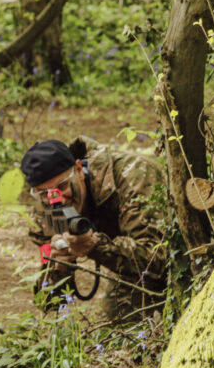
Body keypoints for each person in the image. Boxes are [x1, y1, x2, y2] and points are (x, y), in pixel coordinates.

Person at [20, 136, 167, 319]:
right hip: (133, 265)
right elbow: (49, 303)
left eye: (63, 186)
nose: (59, 200)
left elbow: (159, 261)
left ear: (79, 170)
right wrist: (59, 268)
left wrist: (94, 246)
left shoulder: (134, 175)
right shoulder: (46, 211)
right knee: (117, 316)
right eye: (45, 194)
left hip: (184, 258)